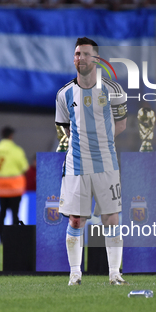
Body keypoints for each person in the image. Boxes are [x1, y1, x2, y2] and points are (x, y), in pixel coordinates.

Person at [55, 37, 128, 286]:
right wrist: (82, 144)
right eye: (77, 54)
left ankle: (114, 274)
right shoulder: (64, 94)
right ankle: (75, 274)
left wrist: (101, 141)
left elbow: (122, 124)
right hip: (76, 165)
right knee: (76, 220)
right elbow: (64, 128)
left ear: (96, 59)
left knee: (111, 218)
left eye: (85, 54)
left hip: (106, 164)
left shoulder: (113, 90)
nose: (80, 58)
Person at [0, 126, 29, 238]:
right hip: (15, 187)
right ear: (11, 136)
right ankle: (14, 238)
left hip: (0, 187)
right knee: (15, 213)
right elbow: (25, 168)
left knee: (1, 213)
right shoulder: (17, 150)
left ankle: (0, 238)